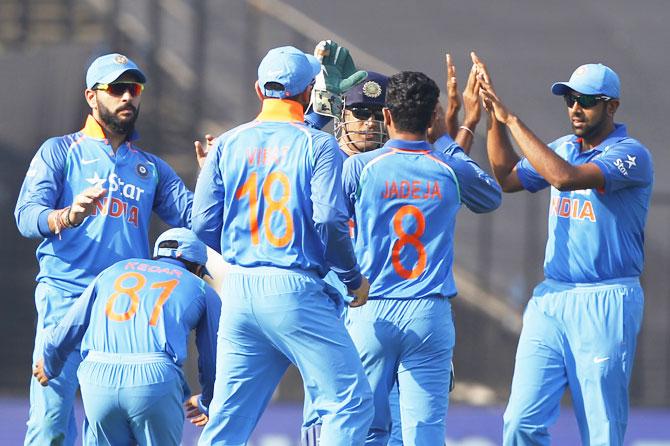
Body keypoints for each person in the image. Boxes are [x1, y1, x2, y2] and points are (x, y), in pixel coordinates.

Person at [192, 45, 373, 445]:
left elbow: (201, 225)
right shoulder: (318, 145)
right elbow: (329, 219)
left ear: (259, 90)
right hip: (293, 289)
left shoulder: (226, 143)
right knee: (351, 404)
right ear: (309, 91)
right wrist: (351, 276)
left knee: (227, 420)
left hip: (237, 291)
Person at [14, 52, 193, 445]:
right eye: (116, 89)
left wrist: (213, 173)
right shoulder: (60, 151)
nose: (127, 97)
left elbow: (196, 219)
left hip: (121, 309)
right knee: (49, 424)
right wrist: (66, 216)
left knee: (116, 423)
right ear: (91, 97)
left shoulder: (151, 167)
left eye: (134, 89)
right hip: (65, 295)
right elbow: (26, 216)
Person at [476, 55, 652, 445]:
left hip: (605, 299)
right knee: (521, 420)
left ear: (612, 106)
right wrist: (493, 118)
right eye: (570, 98)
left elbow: (564, 178)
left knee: (601, 428)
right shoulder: (562, 147)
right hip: (552, 299)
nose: (575, 108)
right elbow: (505, 178)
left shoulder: (631, 154)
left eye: (586, 100)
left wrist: (512, 119)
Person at [342, 71, 501, 445]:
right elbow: (491, 196)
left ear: (387, 117)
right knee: (424, 434)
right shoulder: (450, 167)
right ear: (432, 118)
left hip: (371, 307)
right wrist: (448, 136)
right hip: (428, 313)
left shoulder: (361, 167)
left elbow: (328, 225)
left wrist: (348, 277)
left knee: (362, 427)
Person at [32, 228, 219, 445]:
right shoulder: (202, 288)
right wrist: (208, 401)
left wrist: (50, 365)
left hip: (97, 377)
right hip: (154, 380)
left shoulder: (115, 270)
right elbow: (213, 358)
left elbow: (70, 325)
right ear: (197, 267)